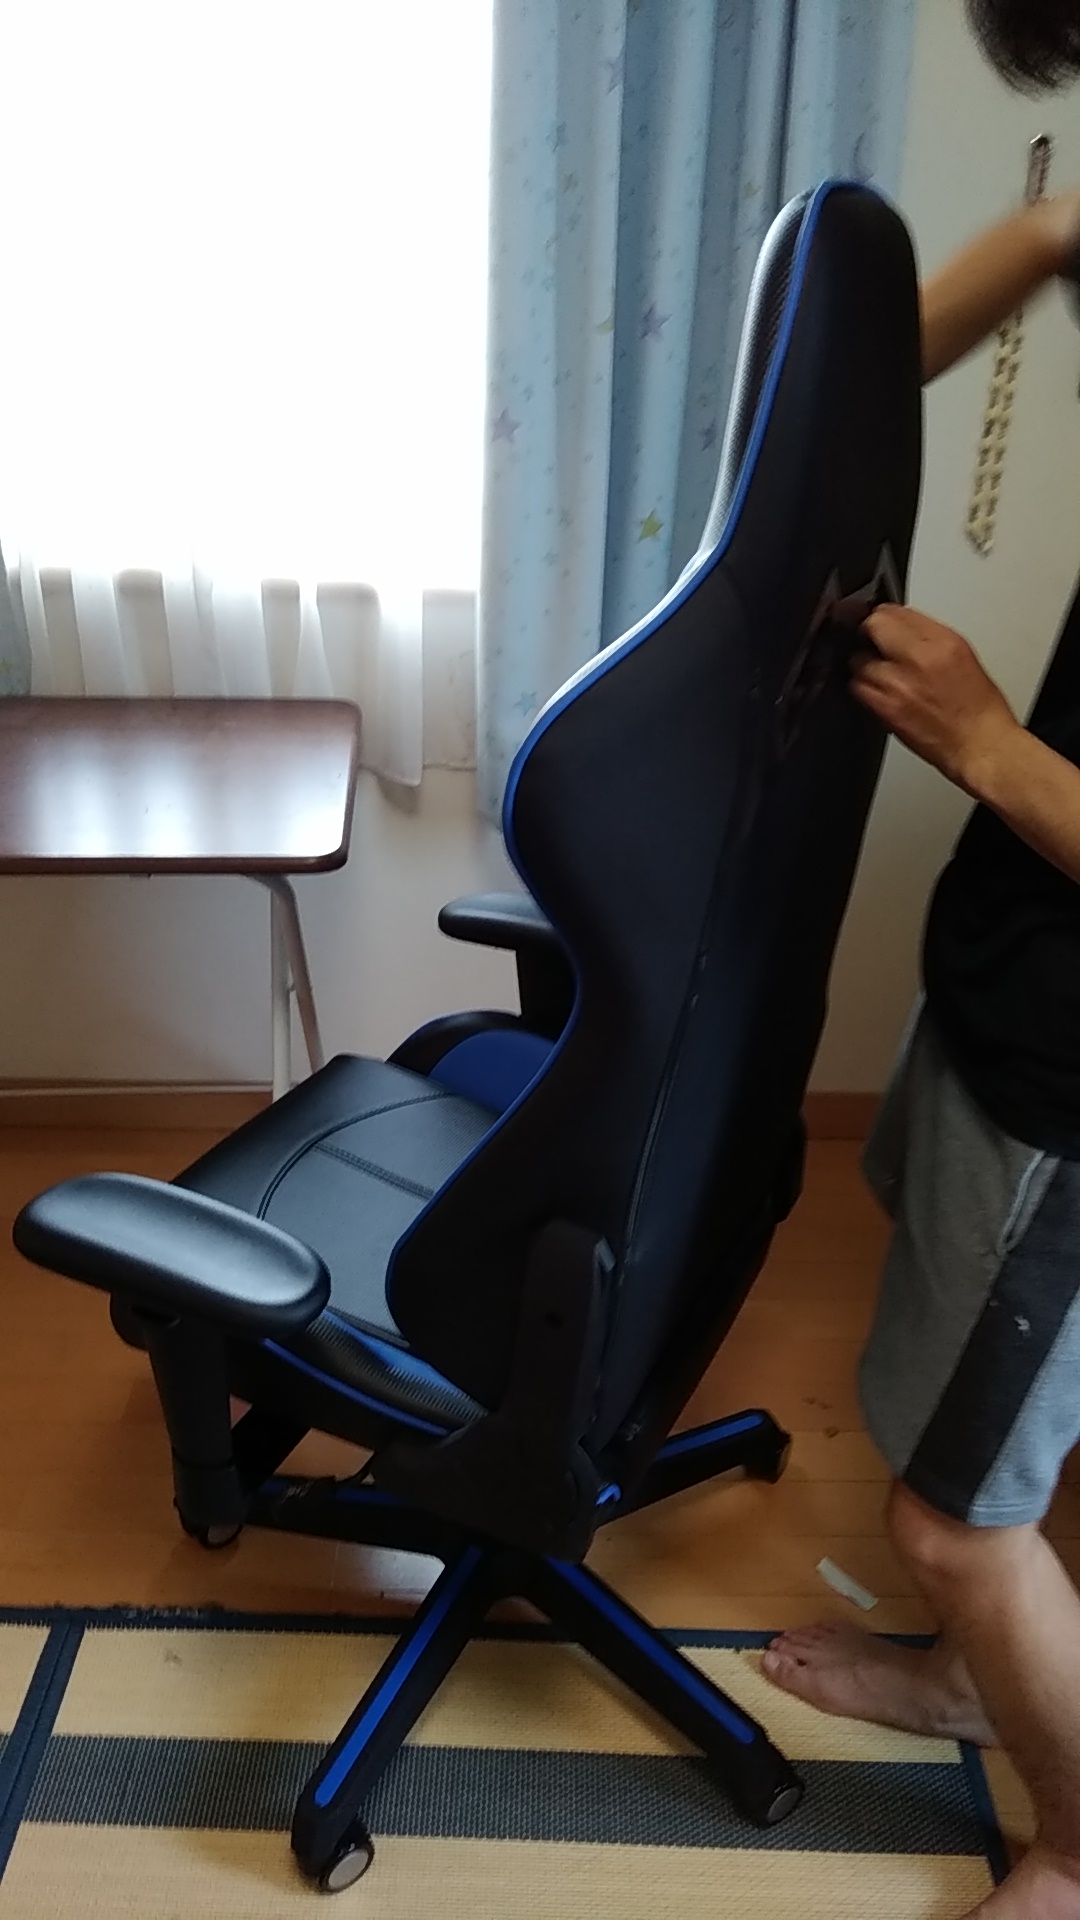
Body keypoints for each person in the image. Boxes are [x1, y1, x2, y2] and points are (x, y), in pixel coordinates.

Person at [761, 5, 1080, 1916]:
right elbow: (865, 365)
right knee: (1001, 1430)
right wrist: (1039, 237)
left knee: (952, 1520)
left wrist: (985, 743)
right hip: (1015, 969)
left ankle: (1076, 1839)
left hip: (1075, 1085)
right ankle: (977, 1674)